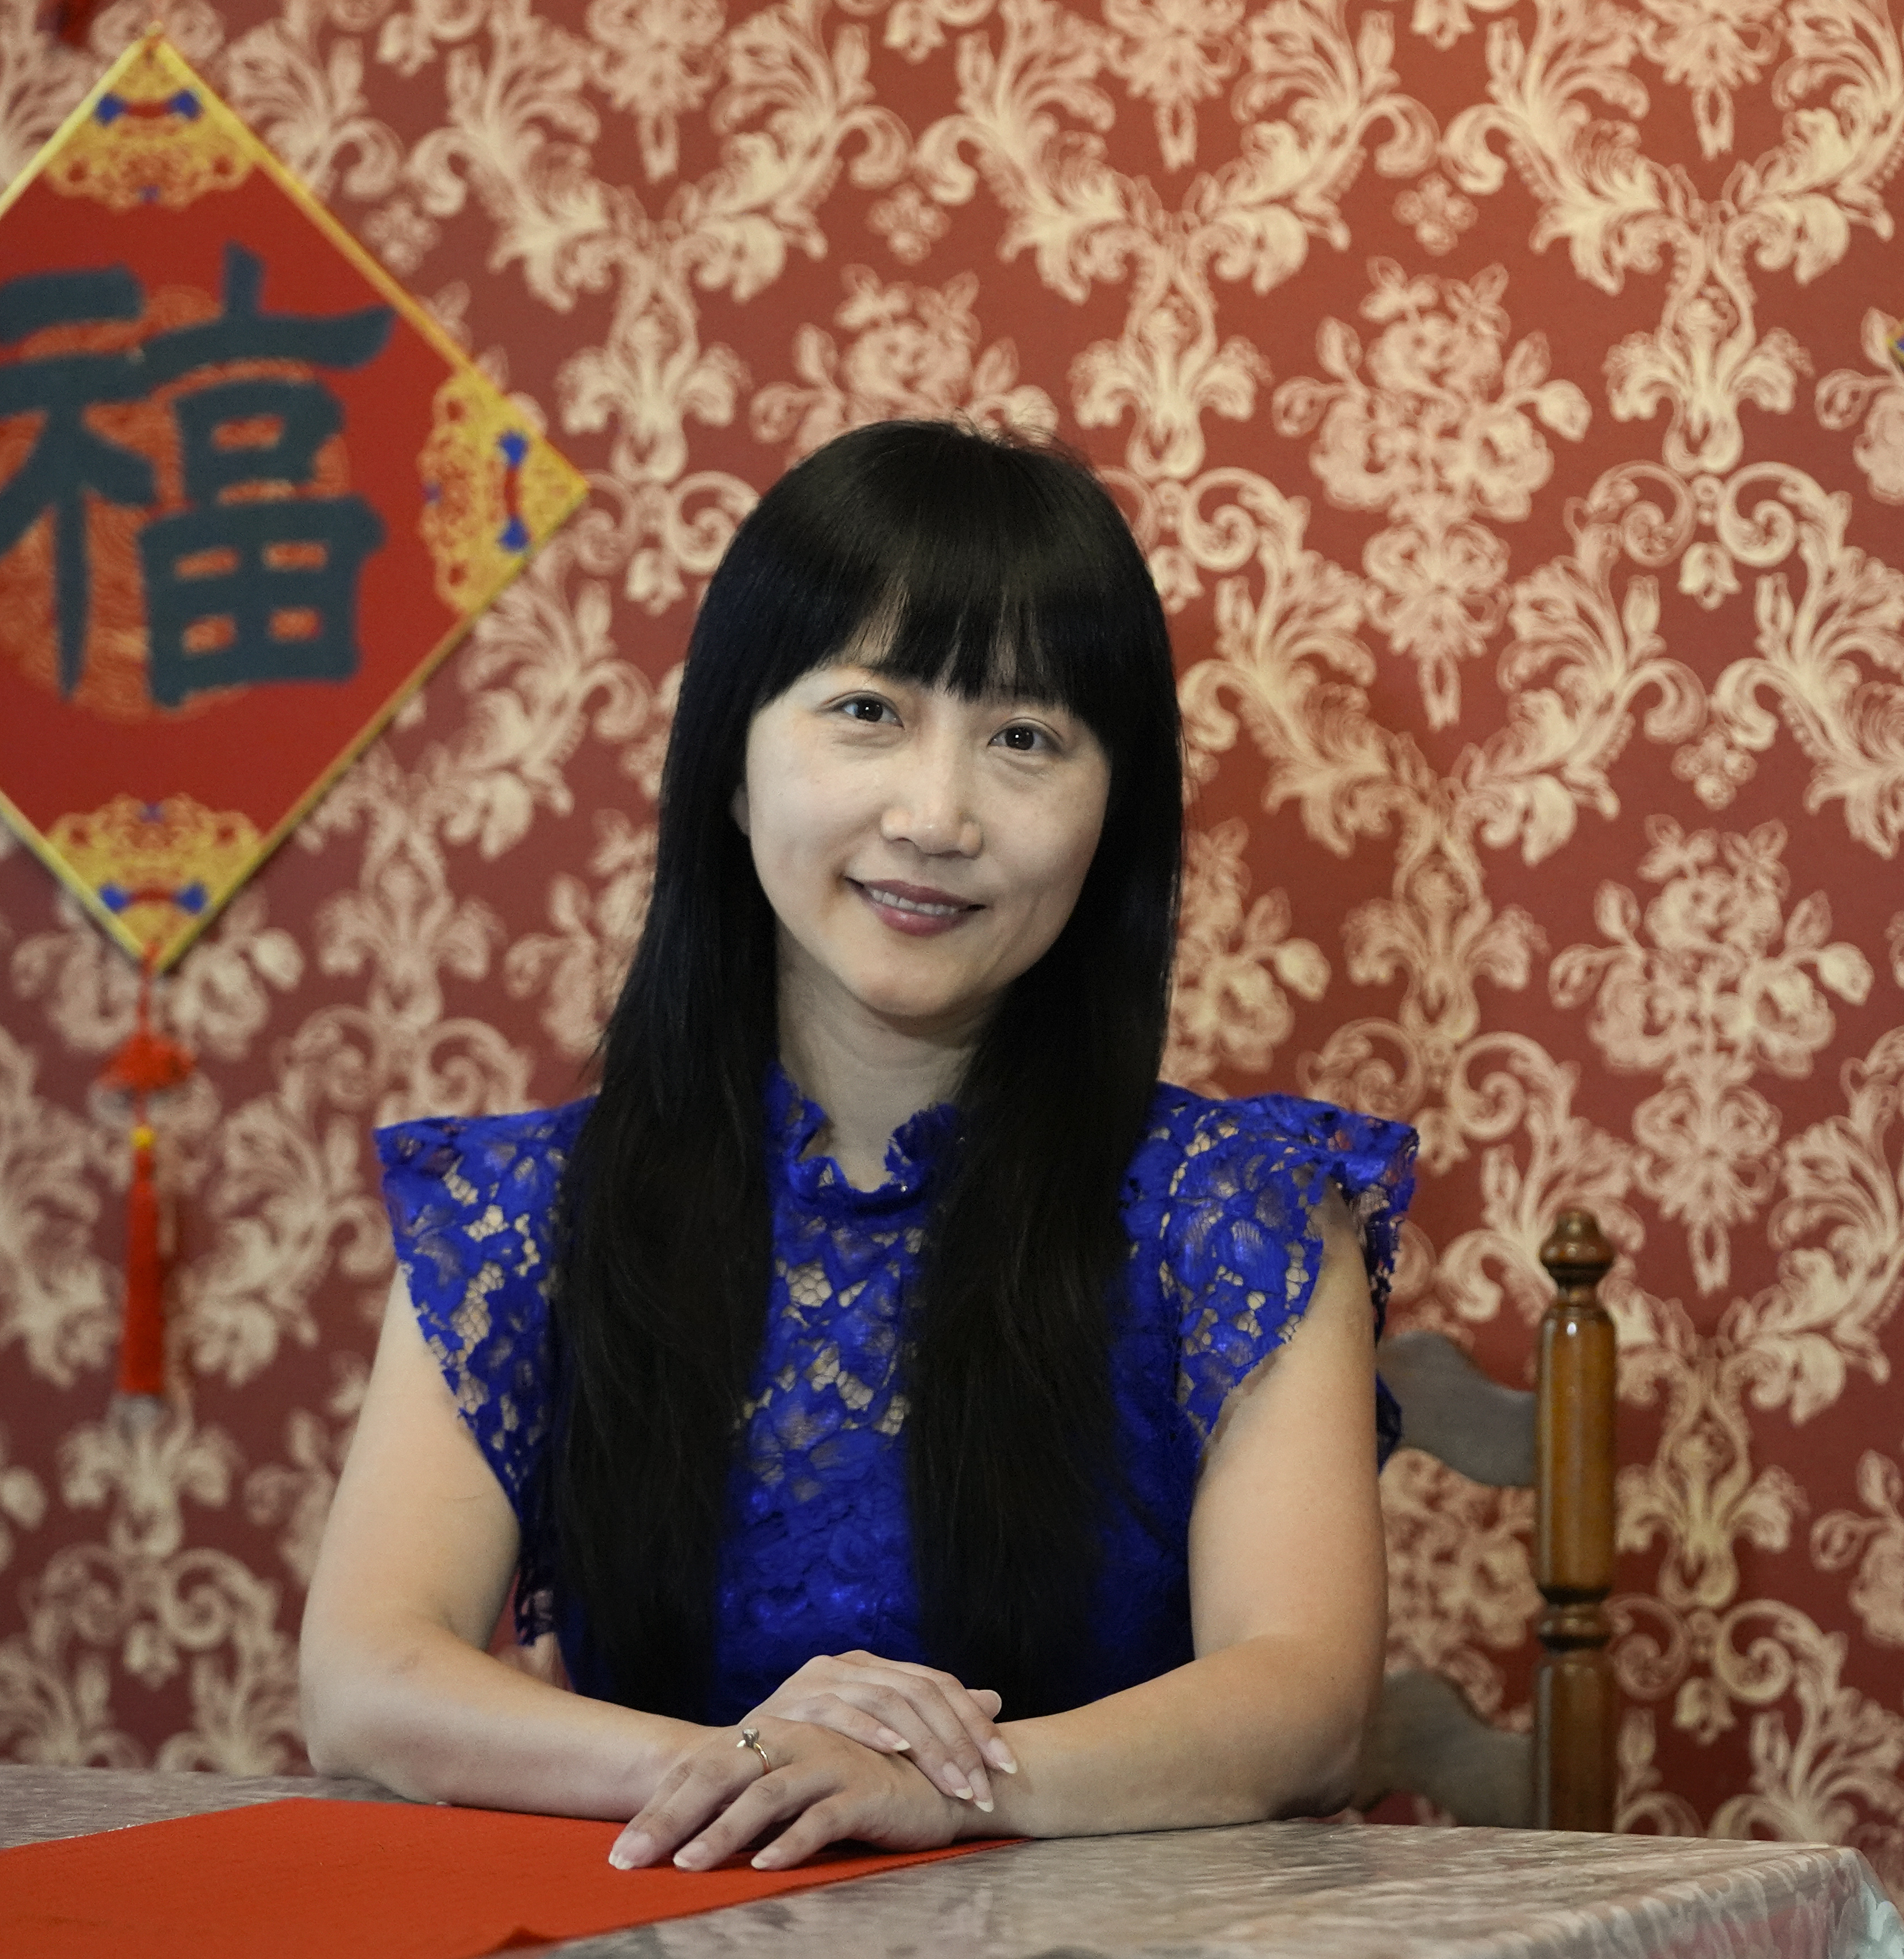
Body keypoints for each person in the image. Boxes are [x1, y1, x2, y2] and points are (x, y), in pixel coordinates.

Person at [298, 421, 1411, 1873]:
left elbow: (1304, 1702)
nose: (935, 815)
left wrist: (954, 1785)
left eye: (1024, 738)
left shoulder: (1243, 1213)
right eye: (868, 712)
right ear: (734, 765)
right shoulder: (535, 1211)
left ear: (1111, 817)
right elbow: (367, 1677)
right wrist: (753, 1769)